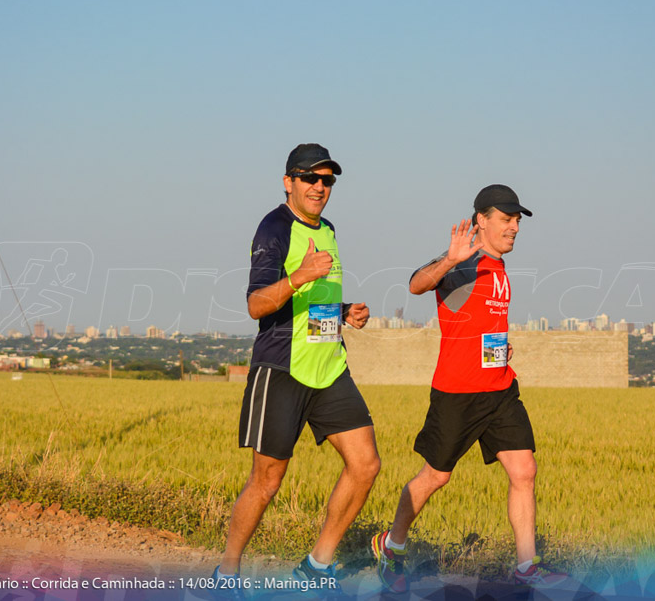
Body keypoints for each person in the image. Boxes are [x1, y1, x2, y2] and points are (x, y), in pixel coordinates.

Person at [371, 184, 562, 591]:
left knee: (524, 469)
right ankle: (392, 545)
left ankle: (527, 566)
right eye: (507, 219)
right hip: (458, 392)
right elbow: (415, 285)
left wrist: (499, 346)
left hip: (499, 388)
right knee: (435, 477)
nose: (514, 228)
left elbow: (477, 319)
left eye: (517, 221)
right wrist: (449, 259)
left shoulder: (499, 266)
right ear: (481, 220)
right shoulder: (462, 261)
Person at [214, 144, 380, 595]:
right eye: (310, 178)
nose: (319, 187)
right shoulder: (274, 228)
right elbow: (255, 305)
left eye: (327, 180)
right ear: (288, 181)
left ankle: (317, 563)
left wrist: (344, 310)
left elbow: (315, 300)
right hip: (282, 370)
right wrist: (300, 276)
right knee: (267, 481)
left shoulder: (328, 229)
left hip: (330, 369)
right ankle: (226, 573)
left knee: (365, 465)